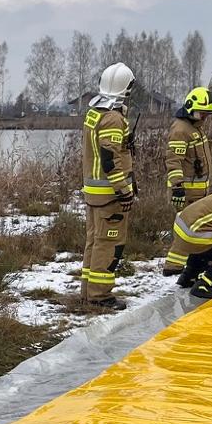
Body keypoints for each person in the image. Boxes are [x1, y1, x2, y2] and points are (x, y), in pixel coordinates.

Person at [79, 62, 137, 310]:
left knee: (94, 240)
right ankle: (101, 296)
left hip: (94, 191)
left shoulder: (95, 112)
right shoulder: (113, 117)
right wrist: (124, 190)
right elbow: (110, 159)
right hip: (109, 194)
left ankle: (88, 291)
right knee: (108, 242)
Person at [166, 87, 212, 212]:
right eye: (202, 113)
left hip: (198, 194)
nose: (205, 117)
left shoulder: (196, 127)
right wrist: (177, 187)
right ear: (191, 109)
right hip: (186, 195)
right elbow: (173, 161)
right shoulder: (180, 130)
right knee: (185, 230)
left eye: (207, 114)